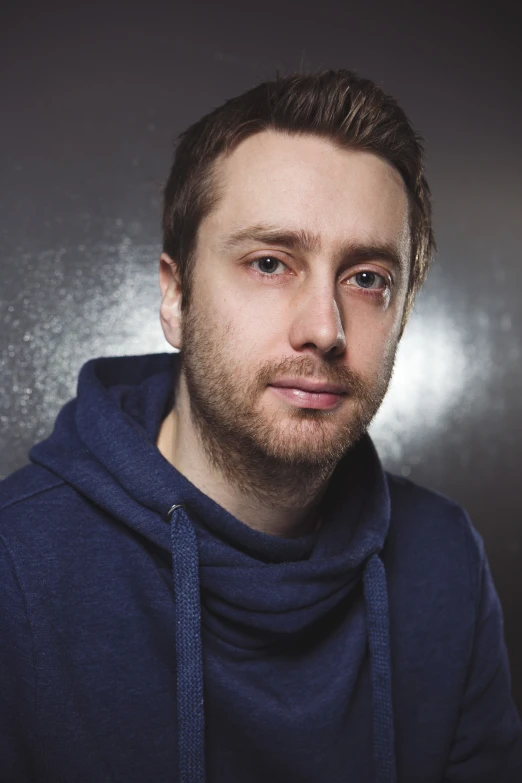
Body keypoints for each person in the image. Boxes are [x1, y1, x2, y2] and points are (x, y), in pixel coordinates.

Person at [0, 70, 520, 783]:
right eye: (271, 262)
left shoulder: (444, 559)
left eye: (367, 278)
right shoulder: (15, 565)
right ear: (175, 297)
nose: (325, 329)